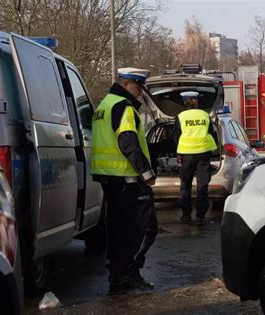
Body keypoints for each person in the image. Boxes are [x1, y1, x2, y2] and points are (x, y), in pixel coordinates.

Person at [90, 67, 157, 293]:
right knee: (146, 227)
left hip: (108, 178)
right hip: (126, 176)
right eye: (138, 87)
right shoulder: (123, 106)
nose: (139, 93)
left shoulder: (103, 105)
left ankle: (117, 275)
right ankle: (129, 271)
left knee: (118, 229)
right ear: (127, 84)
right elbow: (127, 142)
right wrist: (146, 173)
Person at [173, 91, 217, 226]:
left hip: (187, 154)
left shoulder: (181, 117)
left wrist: (177, 151)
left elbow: (176, 135)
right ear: (197, 102)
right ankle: (201, 216)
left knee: (185, 184)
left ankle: (186, 215)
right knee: (202, 185)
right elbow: (211, 132)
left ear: (184, 102)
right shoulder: (205, 115)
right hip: (203, 153)